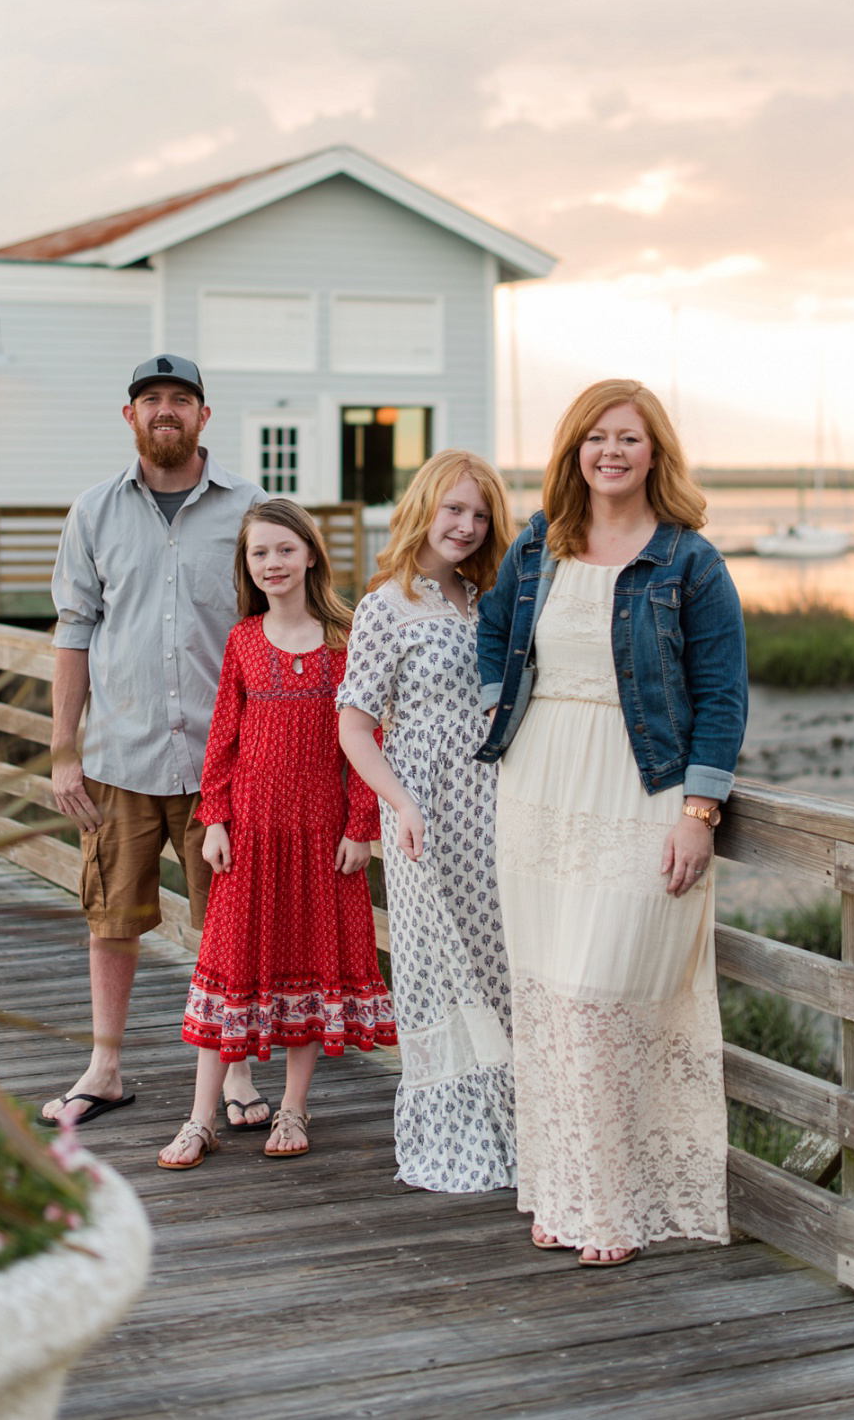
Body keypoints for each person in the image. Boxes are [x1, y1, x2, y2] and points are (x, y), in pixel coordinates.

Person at [476, 378, 747, 1266]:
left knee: (601, 998)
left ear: (655, 453)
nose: (611, 453)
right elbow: (491, 631)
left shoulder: (690, 562)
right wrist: (497, 706)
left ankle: (613, 1205)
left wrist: (700, 811)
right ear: (574, 453)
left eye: (629, 439)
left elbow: (722, 696)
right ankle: (560, 1194)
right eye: (596, 438)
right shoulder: (539, 546)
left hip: (641, 795)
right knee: (551, 998)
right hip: (539, 791)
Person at [41, 355, 266, 1130]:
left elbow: (282, 621)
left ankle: (233, 1071)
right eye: (150, 400)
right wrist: (63, 746)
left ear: (205, 415)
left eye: (180, 399)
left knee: (226, 923)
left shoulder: (252, 507)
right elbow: (74, 632)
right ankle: (104, 1068)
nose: (164, 410)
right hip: (121, 758)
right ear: (129, 415)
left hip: (223, 764)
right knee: (111, 917)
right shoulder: (93, 513)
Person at [157, 498, 396, 1168]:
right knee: (228, 962)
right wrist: (215, 819)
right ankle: (200, 1117)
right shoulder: (244, 640)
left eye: (284, 550)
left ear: (310, 554)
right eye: (259, 554)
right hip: (253, 832)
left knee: (310, 961)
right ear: (248, 564)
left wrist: (360, 827)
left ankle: (293, 1108)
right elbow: (222, 740)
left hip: (321, 831)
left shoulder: (346, 643)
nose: (272, 564)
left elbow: (365, 741)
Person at [338, 450, 518, 1193]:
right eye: (455, 510)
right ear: (424, 508)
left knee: (499, 959)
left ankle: (514, 1130)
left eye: (480, 516)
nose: (468, 527)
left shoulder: (489, 603)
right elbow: (352, 727)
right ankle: (451, 1137)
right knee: (432, 967)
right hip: (423, 811)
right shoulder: (386, 605)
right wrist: (400, 805)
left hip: (492, 808)